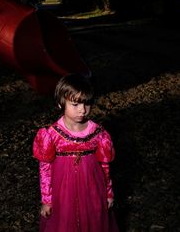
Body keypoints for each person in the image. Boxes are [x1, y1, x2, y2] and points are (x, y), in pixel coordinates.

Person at [33, 73, 119, 232]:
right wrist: (47, 200)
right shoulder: (51, 135)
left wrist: (108, 193)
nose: (82, 110)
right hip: (63, 190)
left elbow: (105, 166)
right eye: (75, 104)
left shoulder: (98, 133)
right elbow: (44, 168)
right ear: (60, 104)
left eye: (87, 104)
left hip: (92, 188)